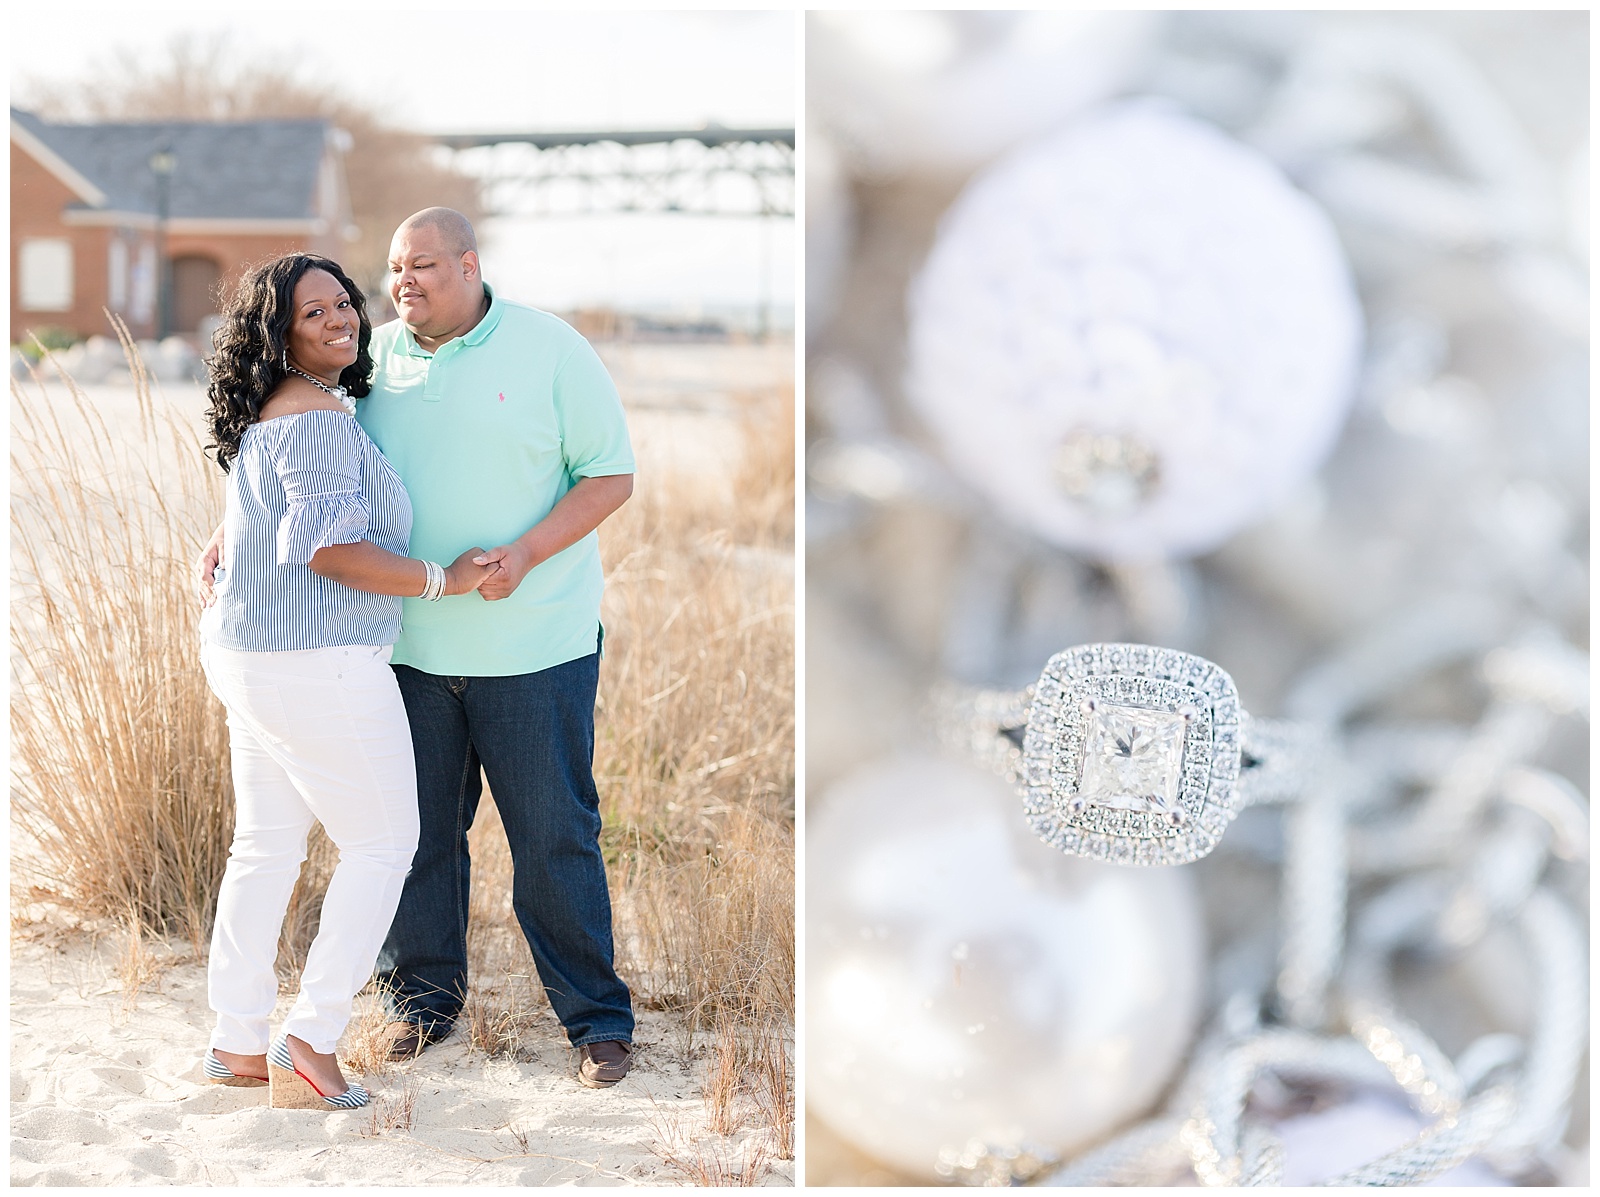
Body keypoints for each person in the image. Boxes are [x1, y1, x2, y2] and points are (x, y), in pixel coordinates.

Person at [195, 253, 495, 1109]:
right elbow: (326, 549)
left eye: (343, 303)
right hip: (316, 660)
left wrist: (221, 538)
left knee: (266, 845)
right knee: (382, 843)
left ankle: (237, 1039)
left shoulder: (274, 410)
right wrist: (445, 579)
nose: (339, 319)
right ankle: (312, 1037)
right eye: (313, 311)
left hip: (249, 654)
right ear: (279, 331)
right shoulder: (318, 419)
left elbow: (262, 523)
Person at [361, 207, 637, 1087]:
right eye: (396, 267)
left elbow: (610, 474)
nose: (405, 280)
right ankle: (420, 1003)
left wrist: (525, 553)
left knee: (555, 836)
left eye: (425, 264)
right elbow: (297, 451)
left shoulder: (551, 347)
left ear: (472, 264)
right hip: (408, 648)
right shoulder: (372, 358)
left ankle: (597, 1021)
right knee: (418, 837)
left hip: (536, 644)